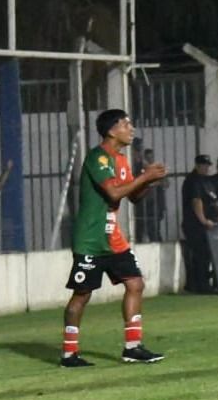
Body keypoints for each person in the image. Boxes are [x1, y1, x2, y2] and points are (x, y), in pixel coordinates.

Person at [59, 109, 167, 367]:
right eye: (126, 124)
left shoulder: (120, 160)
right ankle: (69, 353)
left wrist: (149, 181)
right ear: (111, 130)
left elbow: (134, 196)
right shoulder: (98, 157)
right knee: (82, 294)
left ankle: (132, 347)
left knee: (135, 284)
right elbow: (114, 193)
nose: (132, 129)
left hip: (113, 238)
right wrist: (145, 177)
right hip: (90, 239)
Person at [180, 153, 218, 293]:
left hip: (207, 224)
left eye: (208, 165)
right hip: (195, 225)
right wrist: (203, 220)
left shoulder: (206, 181)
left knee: (205, 255)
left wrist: (217, 216)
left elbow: (213, 200)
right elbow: (196, 201)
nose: (206, 168)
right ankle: (201, 285)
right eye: (204, 165)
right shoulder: (193, 181)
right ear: (197, 165)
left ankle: (201, 284)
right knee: (201, 255)